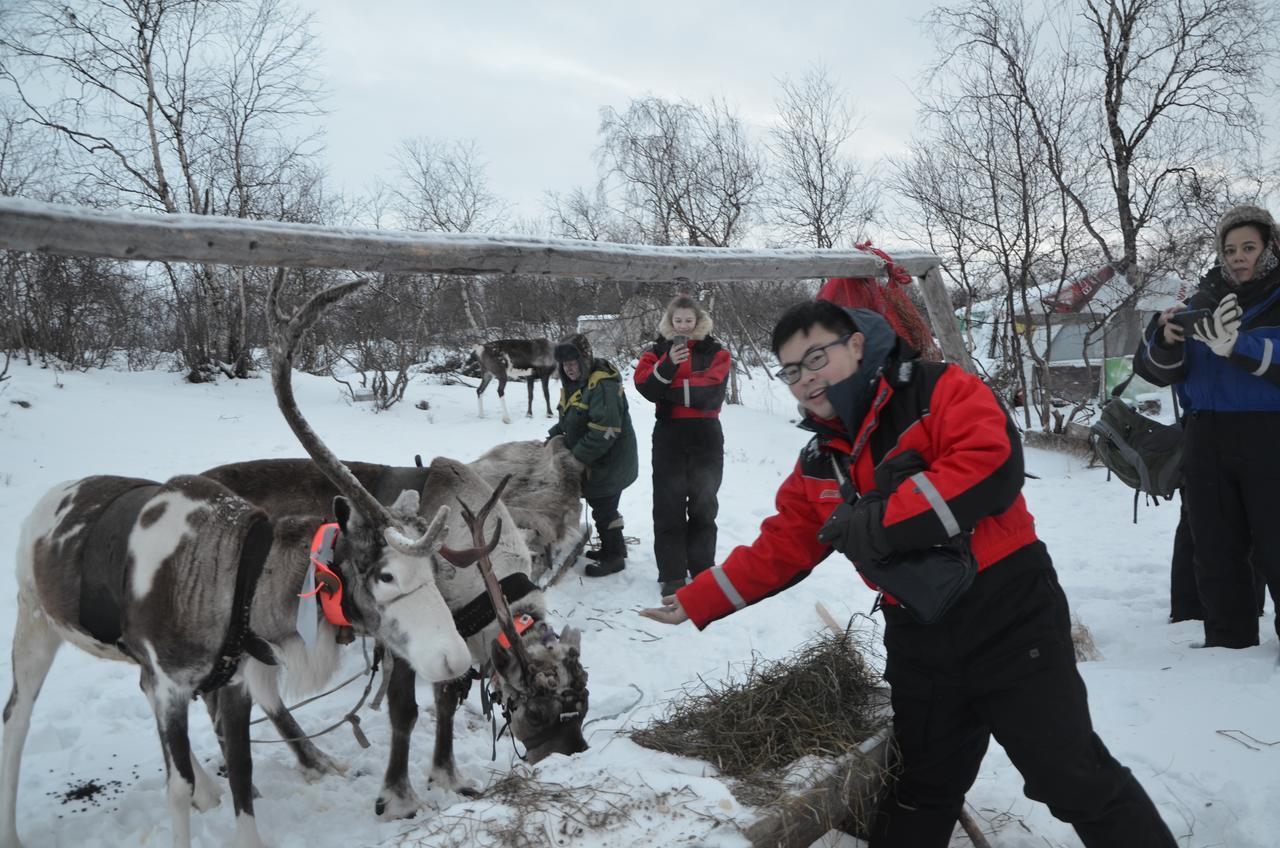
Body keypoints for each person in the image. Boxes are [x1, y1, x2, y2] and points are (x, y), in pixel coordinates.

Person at [642, 300, 1177, 847]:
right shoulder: (820, 458)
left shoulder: (937, 390)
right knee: (920, 784)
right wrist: (699, 598)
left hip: (1009, 612)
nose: (806, 379)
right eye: (792, 371)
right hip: (917, 631)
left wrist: (881, 523)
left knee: (1071, 776)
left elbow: (990, 464)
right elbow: (782, 545)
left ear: (854, 346)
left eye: (816, 357)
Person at [1133, 204, 1280, 648]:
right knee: (1215, 548)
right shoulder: (1200, 301)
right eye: (1230, 248)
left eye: (1249, 247)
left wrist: (1238, 345)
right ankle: (1228, 642)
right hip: (1206, 436)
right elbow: (1155, 370)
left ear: (1270, 249)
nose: (1238, 256)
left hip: (1268, 436)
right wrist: (1165, 338)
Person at [633, 295, 731, 596]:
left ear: (698, 320)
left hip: (706, 436)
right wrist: (668, 368)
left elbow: (712, 394)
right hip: (669, 436)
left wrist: (669, 392)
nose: (684, 326)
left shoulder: (715, 351)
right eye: (679, 321)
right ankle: (672, 574)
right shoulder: (657, 351)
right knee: (668, 506)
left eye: (689, 320)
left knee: (704, 503)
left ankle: (702, 569)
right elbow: (646, 387)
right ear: (670, 322)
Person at [548, 332, 638, 577]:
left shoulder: (603, 385)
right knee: (603, 506)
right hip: (597, 460)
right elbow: (570, 419)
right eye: (564, 365)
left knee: (604, 506)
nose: (569, 369)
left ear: (585, 359)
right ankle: (613, 546)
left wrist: (576, 458)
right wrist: (552, 438)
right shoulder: (575, 385)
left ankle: (614, 556)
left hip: (611, 460)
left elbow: (604, 430)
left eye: (573, 363)